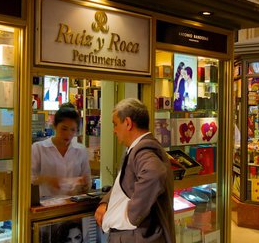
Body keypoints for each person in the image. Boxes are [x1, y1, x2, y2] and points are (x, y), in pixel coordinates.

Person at [94, 98, 173, 242]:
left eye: (116, 124)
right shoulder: (140, 147)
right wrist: (106, 201)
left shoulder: (143, 149)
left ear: (128, 123)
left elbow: (155, 173)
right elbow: (124, 182)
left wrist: (131, 216)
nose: (114, 130)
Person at [32, 104, 91, 200]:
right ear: (55, 126)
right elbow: (28, 178)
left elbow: (87, 181)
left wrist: (82, 185)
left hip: (72, 204)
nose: (68, 134)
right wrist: (48, 180)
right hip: (45, 205)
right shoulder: (39, 148)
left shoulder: (80, 150)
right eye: (64, 129)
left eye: (73, 130)